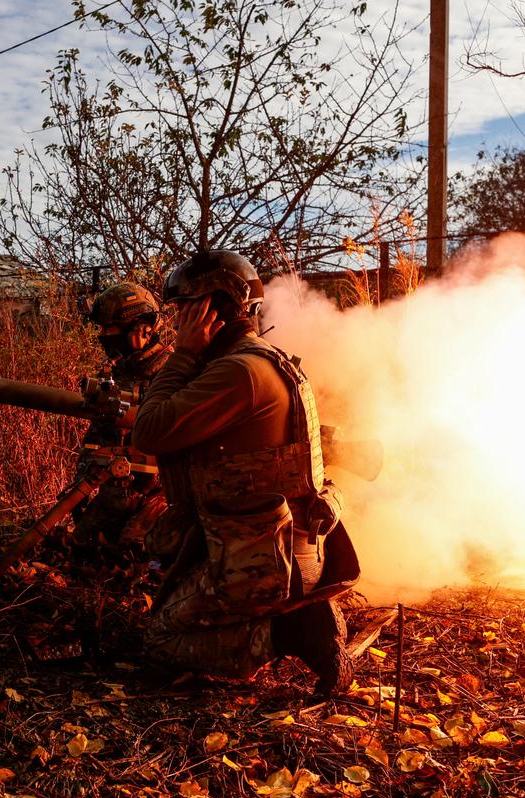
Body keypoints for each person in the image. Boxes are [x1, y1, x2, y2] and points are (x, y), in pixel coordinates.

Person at [130, 250, 359, 698]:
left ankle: (294, 632)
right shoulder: (259, 360)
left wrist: (183, 354)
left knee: (161, 639)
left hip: (262, 561)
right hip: (279, 548)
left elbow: (150, 431)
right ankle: (290, 615)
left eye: (183, 311)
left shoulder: (238, 372)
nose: (177, 323)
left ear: (209, 310)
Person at [70, 283, 172, 551]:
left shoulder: (173, 373)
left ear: (141, 330)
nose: (104, 336)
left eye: (109, 330)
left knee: (133, 548)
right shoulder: (120, 371)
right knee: (80, 544)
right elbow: (97, 437)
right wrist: (82, 481)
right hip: (116, 492)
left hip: (159, 496)